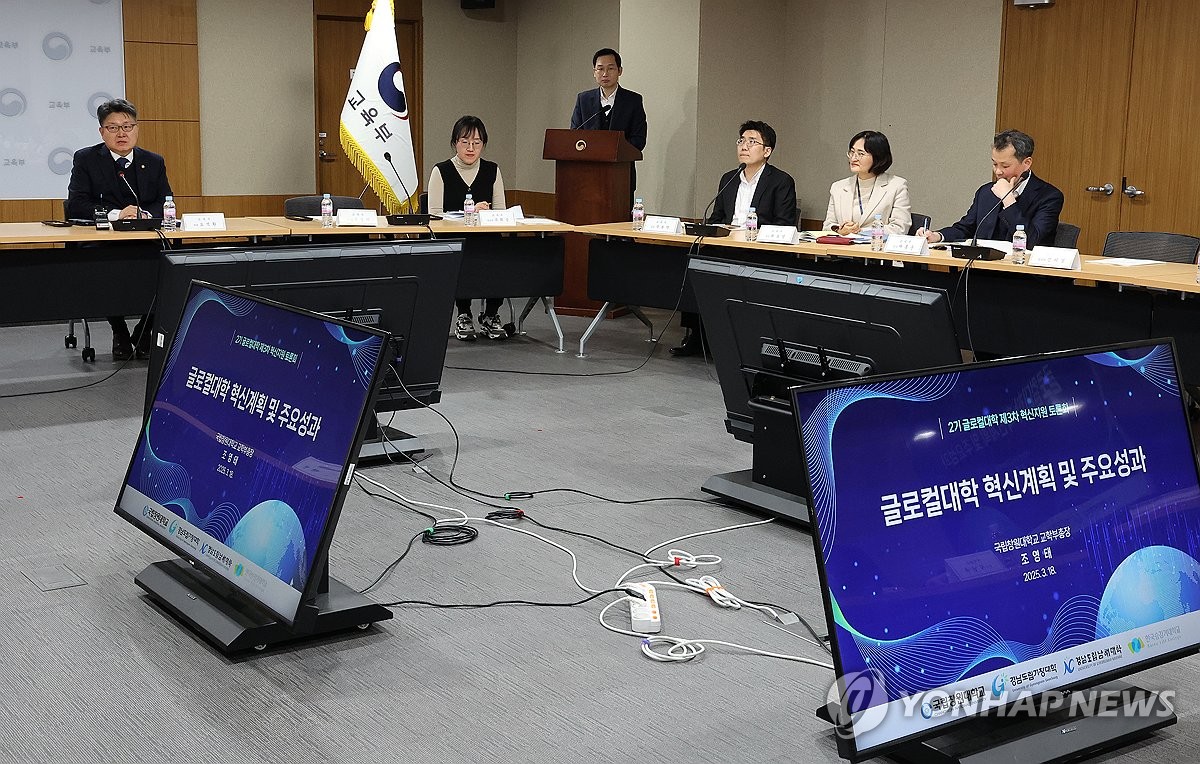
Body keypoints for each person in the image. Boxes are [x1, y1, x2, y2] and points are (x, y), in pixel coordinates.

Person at [673, 120, 797, 357]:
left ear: (767, 151)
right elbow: (717, 216)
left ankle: (749, 342)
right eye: (741, 141)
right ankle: (697, 337)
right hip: (727, 246)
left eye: (752, 142)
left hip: (759, 252)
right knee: (696, 264)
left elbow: (784, 224)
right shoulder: (729, 178)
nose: (744, 146)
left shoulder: (780, 181)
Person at [66, 98, 172, 361]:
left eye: (127, 126)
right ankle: (119, 330)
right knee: (105, 268)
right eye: (113, 128)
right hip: (103, 240)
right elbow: (77, 204)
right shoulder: (86, 159)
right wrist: (116, 215)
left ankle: (145, 330)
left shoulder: (153, 161)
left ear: (137, 128)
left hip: (144, 239)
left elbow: (165, 201)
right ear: (101, 132)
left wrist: (145, 214)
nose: (122, 133)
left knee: (171, 264)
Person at [428, 115, 509, 341]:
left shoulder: (492, 170)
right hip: (454, 238)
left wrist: (486, 214)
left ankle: (491, 315)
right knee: (462, 254)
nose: (471, 148)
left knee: (503, 254)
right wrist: (468, 214)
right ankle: (464, 314)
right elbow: (434, 216)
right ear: (455, 143)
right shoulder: (441, 171)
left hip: (487, 237)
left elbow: (501, 212)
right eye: (465, 142)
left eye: (477, 142)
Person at [921, 129, 1063, 247]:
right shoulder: (985, 192)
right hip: (981, 268)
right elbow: (965, 228)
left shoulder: (1049, 196)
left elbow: (1033, 241)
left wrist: (1008, 200)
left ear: (1026, 163)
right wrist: (938, 236)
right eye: (995, 164)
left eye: (1005, 166)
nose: (998, 172)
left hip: (1020, 270)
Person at [570, 47, 647, 198]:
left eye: (610, 68)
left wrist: (614, 151)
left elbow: (639, 139)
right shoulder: (583, 99)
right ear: (594, 72)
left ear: (620, 71)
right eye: (600, 69)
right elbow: (575, 135)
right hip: (588, 176)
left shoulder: (633, 100)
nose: (605, 73)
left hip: (621, 175)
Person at [823, 130, 911, 236]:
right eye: (852, 152)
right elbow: (827, 227)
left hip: (877, 245)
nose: (853, 158)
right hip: (844, 246)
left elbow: (899, 229)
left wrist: (860, 231)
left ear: (877, 157)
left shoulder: (897, 186)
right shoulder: (838, 187)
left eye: (861, 154)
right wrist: (840, 231)